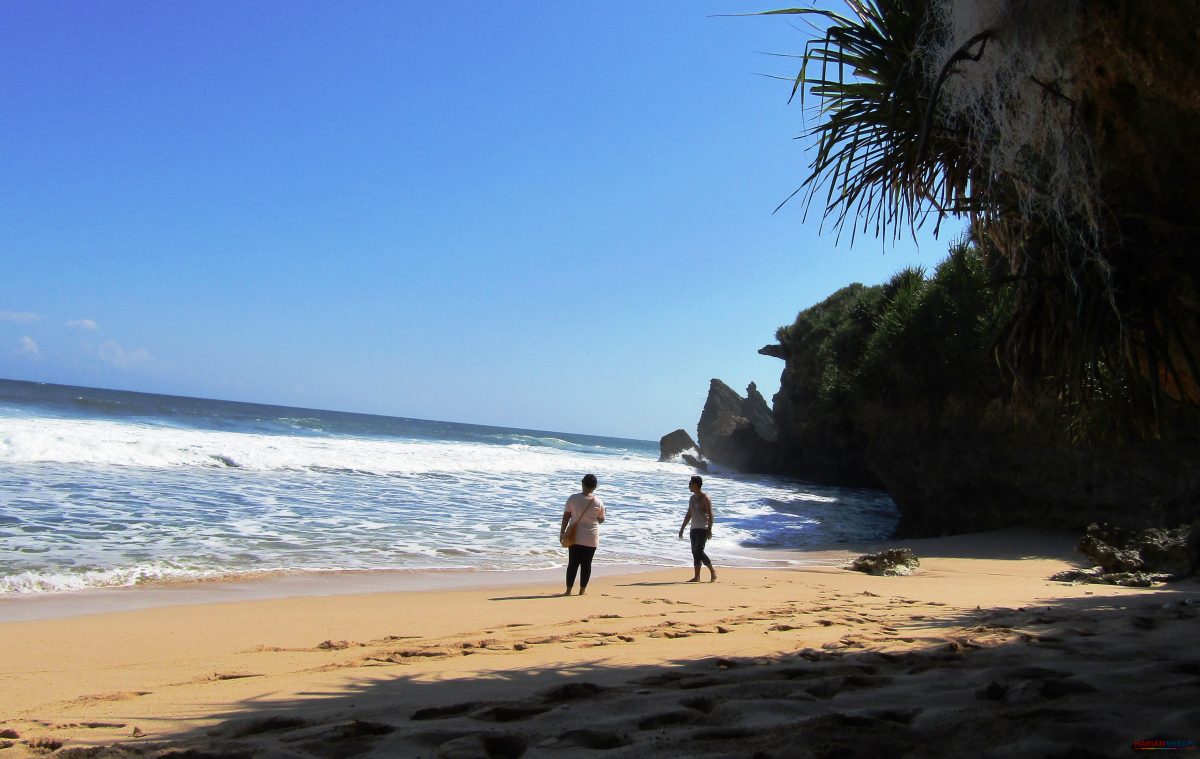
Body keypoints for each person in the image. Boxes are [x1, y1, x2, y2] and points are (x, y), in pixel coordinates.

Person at [560, 473, 605, 596]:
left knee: (573, 564)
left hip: (576, 537)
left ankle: (568, 591)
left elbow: (566, 517)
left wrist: (562, 532)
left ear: (582, 484)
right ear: (595, 487)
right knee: (586, 565)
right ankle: (582, 590)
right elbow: (601, 520)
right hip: (592, 538)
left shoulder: (573, 498)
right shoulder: (598, 502)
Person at [678, 475, 717, 582]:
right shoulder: (692, 498)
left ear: (695, 485)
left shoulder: (705, 498)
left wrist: (709, 529)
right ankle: (697, 577)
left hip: (703, 529)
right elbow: (689, 514)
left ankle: (712, 571)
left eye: (690, 483)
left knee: (698, 551)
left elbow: (711, 514)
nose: (688, 485)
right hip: (693, 528)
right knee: (694, 552)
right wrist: (682, 528)